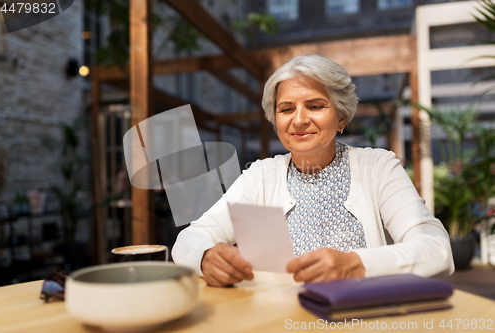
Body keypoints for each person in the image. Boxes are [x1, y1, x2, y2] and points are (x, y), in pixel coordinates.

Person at [172, 55, 454, 287]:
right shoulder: (260, 177)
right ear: (276, 121)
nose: (299, 120)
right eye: (286, 109)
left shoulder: (378, 168)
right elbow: (190, 238)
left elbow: (437, 251)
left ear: (341, 117)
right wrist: (206, 257)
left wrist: (355, 265)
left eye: (315, 106)